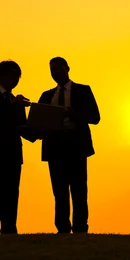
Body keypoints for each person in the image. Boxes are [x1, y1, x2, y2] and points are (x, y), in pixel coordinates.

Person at [36, 57, 100, 234]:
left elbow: (95, 117)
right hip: (55, 147)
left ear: (67, 68)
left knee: (79, 189)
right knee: (59, 191)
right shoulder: (47, 95)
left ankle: (80, 227)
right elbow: (38, 121)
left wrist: (74, 113)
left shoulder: (83, 90)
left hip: (76, 146)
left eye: (58, 69)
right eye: (52, 70)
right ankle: (62, 227)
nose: (55, 73)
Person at [0, 60, 35, 234]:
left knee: (11, 193)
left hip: (13, 152)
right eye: (12, 75)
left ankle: (9, 229)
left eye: (18, 76)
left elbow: (21, 127)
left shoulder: (15, 101)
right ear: (0, 76)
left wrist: (40, 131)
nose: (15, 80)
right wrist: (13, 104)